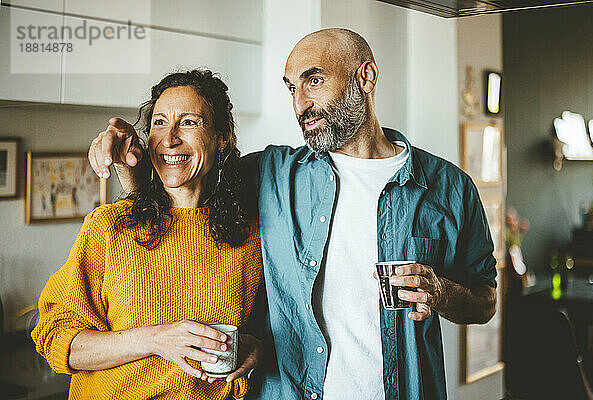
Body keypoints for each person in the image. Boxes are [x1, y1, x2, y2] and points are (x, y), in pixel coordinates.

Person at [88, 29, 497, 400]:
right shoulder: (272, 174)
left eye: (314, 80)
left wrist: (441, 292)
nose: (301, 103)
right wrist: (126, 162)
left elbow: (485, 300)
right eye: (291, 88)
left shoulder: (450, 188)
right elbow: (183, 185)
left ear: (366, 78)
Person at [32, 70, 264, 400]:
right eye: (159, 122)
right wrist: (156, 339)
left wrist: (254, 351)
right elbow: (56, 339)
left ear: (222, 137)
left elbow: (266, 334)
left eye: (189, 122)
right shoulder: (110, 228)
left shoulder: (250, 238)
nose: (169, 139)